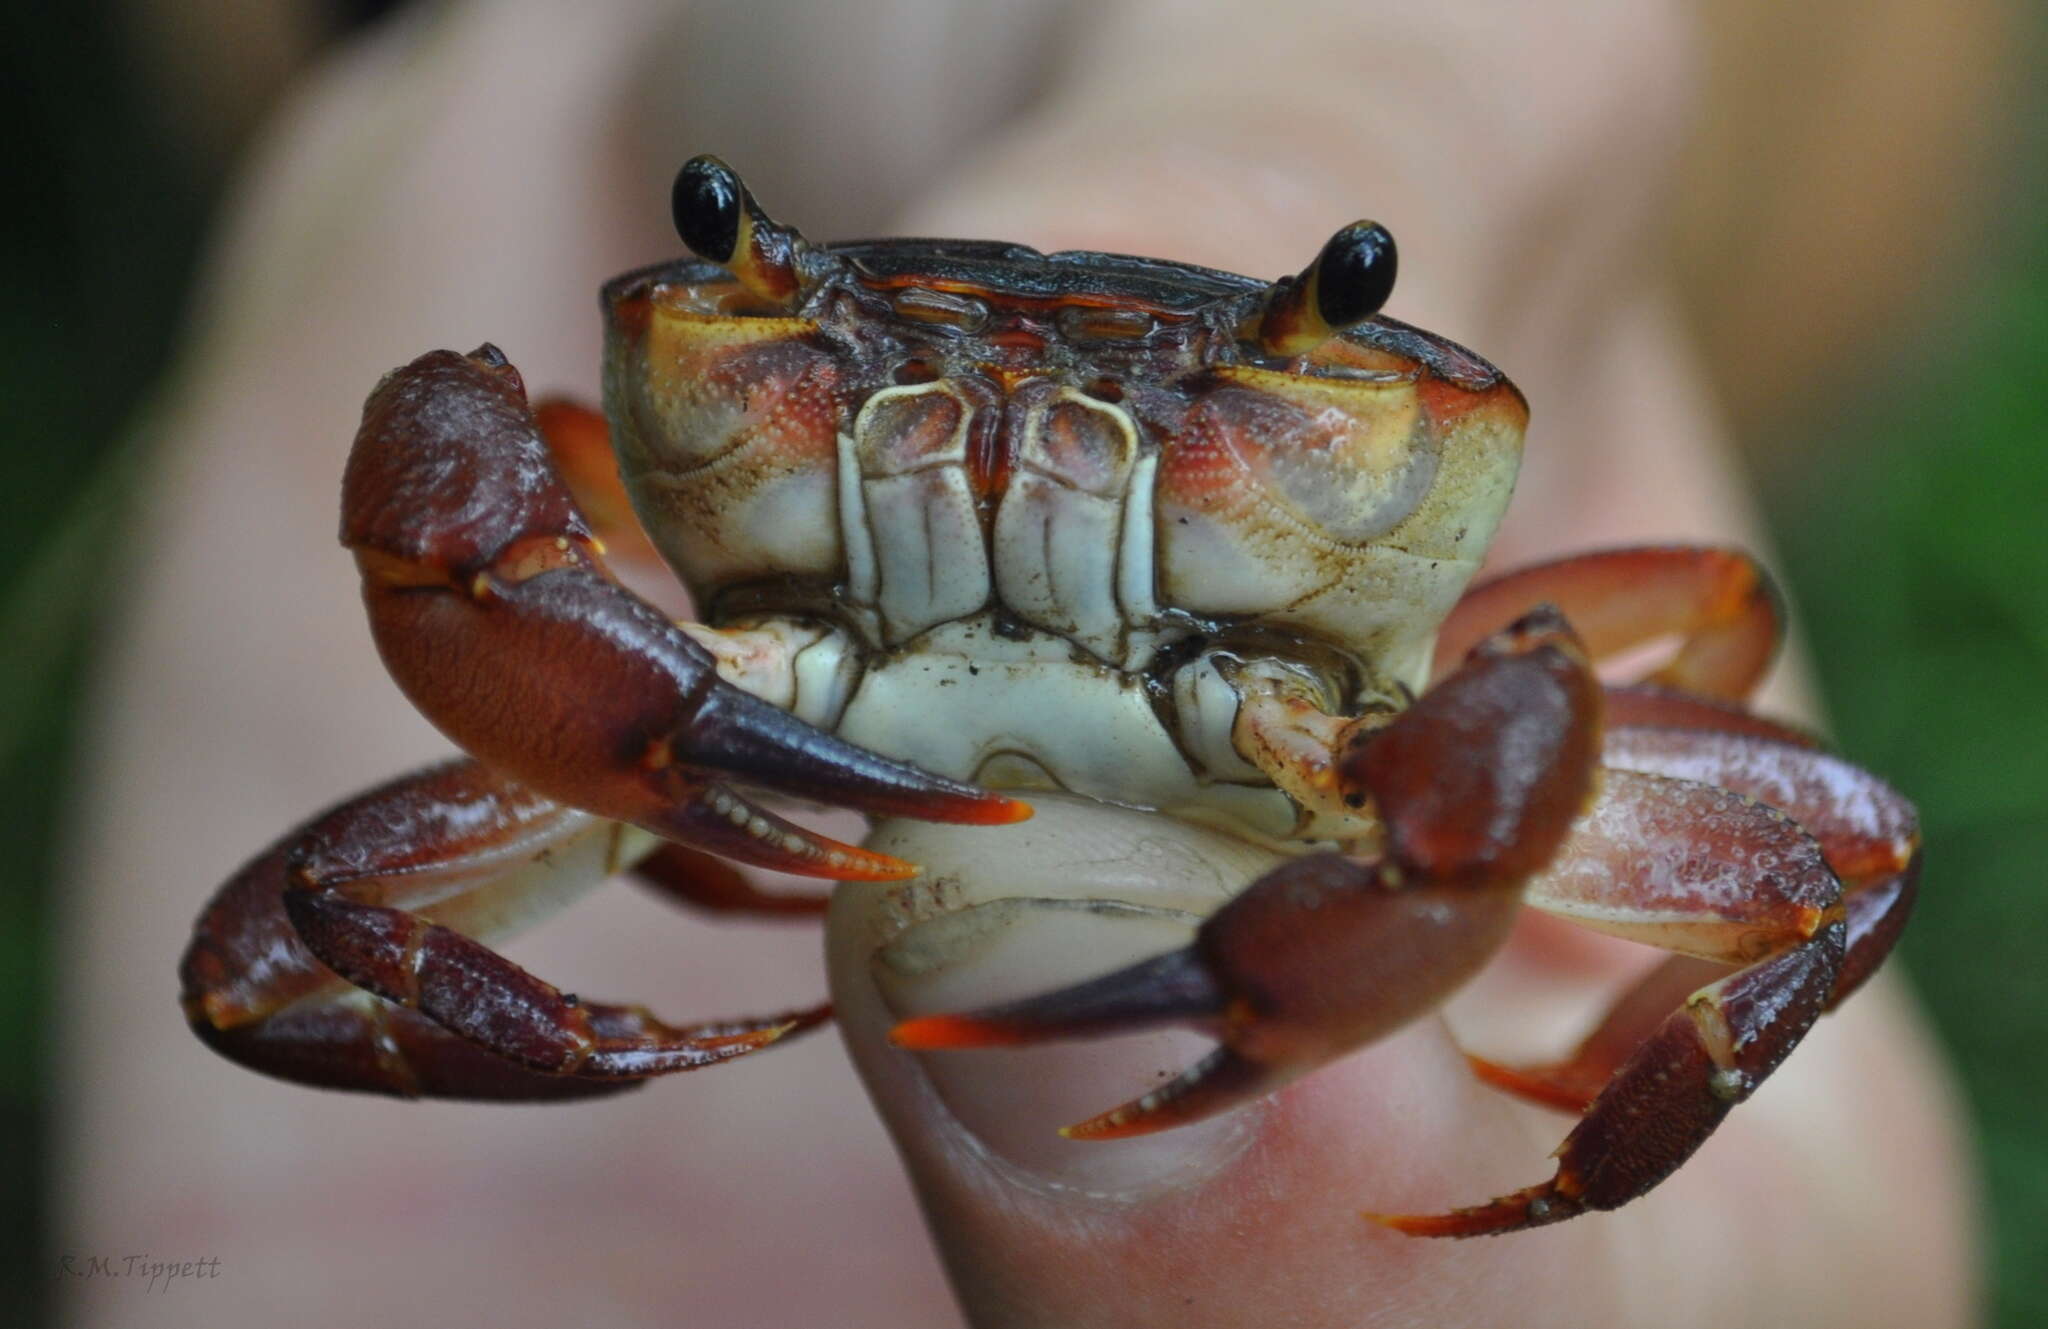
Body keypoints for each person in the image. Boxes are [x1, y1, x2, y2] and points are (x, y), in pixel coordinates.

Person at [61, 3, 1979, 1325]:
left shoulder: (1441, 655)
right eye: (752, 299)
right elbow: (421, 619)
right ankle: (604, 1041)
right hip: (730, 692)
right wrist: (484, 104)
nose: (1010, 460)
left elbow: (1727, 663)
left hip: (1312, 734)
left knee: (1831, 856)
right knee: (276, 949)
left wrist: (1586, 1063)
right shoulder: (615, 494)